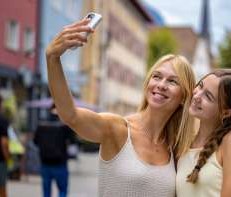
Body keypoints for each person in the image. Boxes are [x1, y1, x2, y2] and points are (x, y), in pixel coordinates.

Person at [46, 18, 196, 197]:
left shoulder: (175, 148)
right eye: (156, 76)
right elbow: (71, 115)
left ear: (184, 97)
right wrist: (52, 59)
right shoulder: (118, 129)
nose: (161, 85)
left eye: (172, 81)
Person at [176, 69, 231, 197]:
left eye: (208, 96)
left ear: (226, 112)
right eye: (200, 86)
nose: (196, 96)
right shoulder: (186, 141)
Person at [34, 104, 73, 197]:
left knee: (46, 191)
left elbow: (35, 141)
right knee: (62, 190)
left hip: (45, 163)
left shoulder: (41, 124)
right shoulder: (64, 125)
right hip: (60, 163)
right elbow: (72, 141)